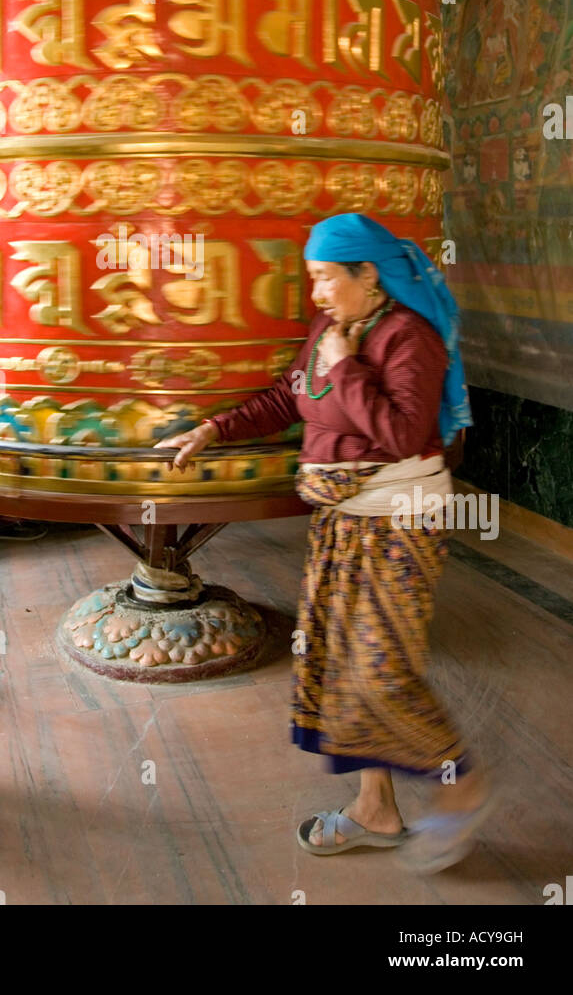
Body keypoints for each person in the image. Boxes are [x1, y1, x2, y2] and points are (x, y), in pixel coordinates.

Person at [156, 212, 491, 875]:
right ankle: (376, 810)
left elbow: (399, 435)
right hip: (342, 524)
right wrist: (212, 430)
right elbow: (290, 396)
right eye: (311, 279)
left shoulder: (408, 337)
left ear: (368, 275)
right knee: (339, 666)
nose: (316, 294)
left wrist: (344, 369)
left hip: (398, 525)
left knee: (380, 673)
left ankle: (462, 785)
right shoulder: (333, 331)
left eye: (325, 278)